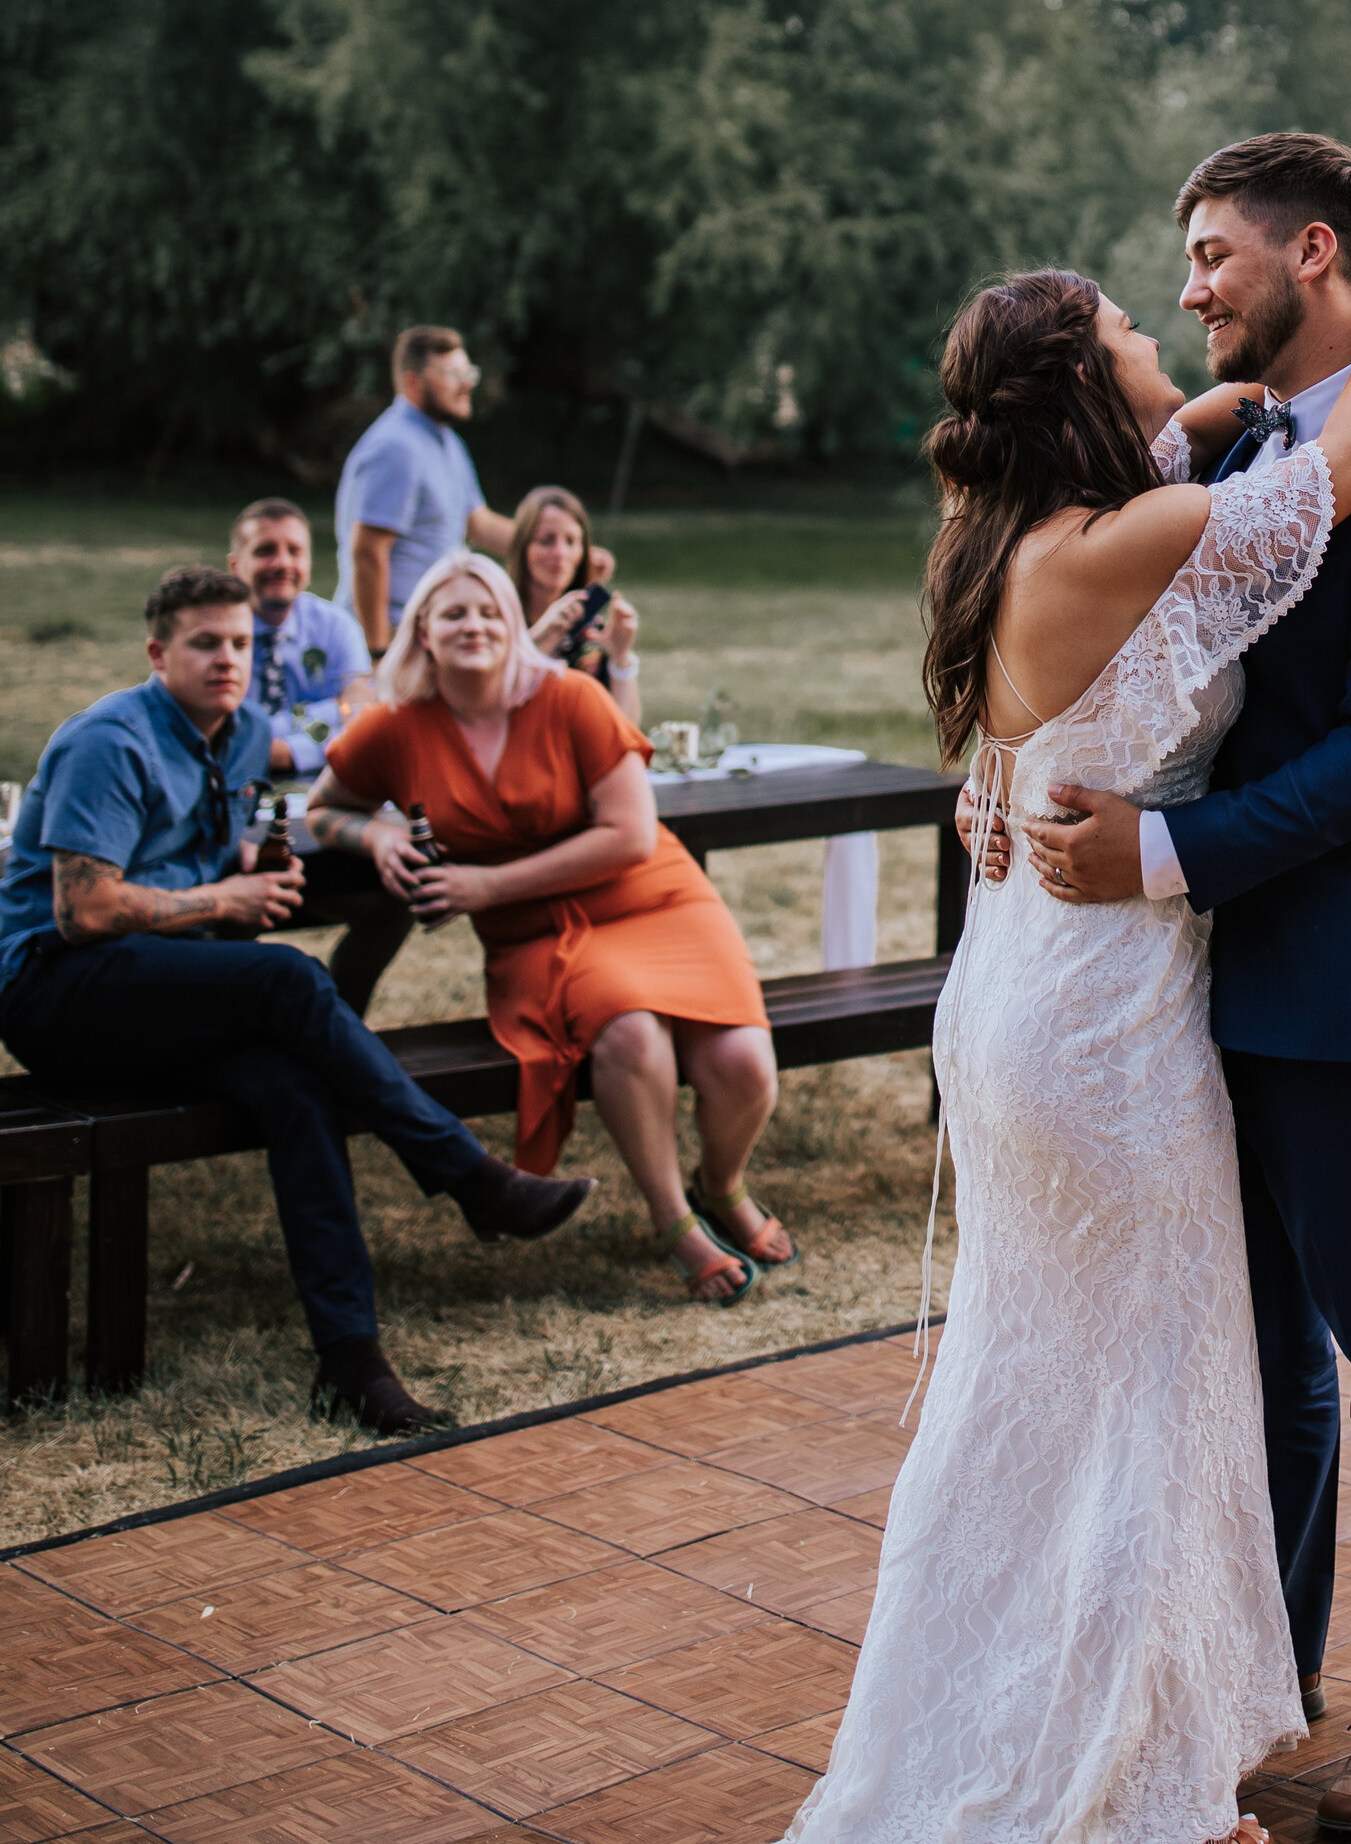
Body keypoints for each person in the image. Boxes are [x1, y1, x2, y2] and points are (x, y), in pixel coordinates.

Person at [662, 236, 1351, 1844]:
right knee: (1150, 1396)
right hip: (1107, 1030)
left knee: (1046, 1392)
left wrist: (1239, 387)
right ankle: (1117, 1796)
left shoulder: (1019, 532)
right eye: (1124, 323)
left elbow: (1210, 441)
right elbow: (1344, 471)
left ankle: (1090, 1751)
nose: (1152, 331)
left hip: (1029, 990)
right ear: (1078, 388)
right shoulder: (1133, 540)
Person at [1014, 132, 1351, 1841]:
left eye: (1214, 254)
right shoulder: (1249, 454)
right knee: (1268, 1361)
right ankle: (1259, 1671)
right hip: (1216, 989)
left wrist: (1157, 860)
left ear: (1314, 255)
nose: (1189, 286)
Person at [0, 565, 588, 1435]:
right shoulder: (108, 741)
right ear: (159, 653)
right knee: (289, 977)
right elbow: (83, 910)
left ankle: (351, 1364)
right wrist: (224, 903)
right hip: (57, 993)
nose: (228, 659)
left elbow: (236, 837)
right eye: (205, 643)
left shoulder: (241, 737)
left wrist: (247, 871)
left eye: (241, 643)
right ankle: (467, 1175)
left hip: (159, 983)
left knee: (296, 1085)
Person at [312, 554, 785, 1301]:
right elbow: (323, 808)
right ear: (423, 632)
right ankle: (674, 1222)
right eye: (454, 613)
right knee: (629, 1033)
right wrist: (376, 837)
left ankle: (721, 1185)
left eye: (489, 610)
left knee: (745, 1063)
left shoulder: (570, 699)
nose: (474, 625)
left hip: (654, 897)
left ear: (514, 626)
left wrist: (484, 883)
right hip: (536, 935)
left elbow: (631, 835)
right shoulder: (397, 729)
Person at [332, 325, 615, 663]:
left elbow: (480, 525)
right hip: (394, 638)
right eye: (452, 374)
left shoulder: (447, 443)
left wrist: (563, 551)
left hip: (428, 632)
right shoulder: (395, 448)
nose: (467, 383)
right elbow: (367, 552)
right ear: (412, 383)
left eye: (468, 372)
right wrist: (376, 653)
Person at [229, 497, 373, 772]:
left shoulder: (337, 627)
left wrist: (289, 752)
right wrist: (332, 709)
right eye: (265, 550)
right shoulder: (215, 633)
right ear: (235, 565)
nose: (282, 563)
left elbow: (360, 721)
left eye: (294, 551)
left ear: (308, 561)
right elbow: (219, 736)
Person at [508, 483, 643, 726]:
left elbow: (624, 732)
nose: (560, 553)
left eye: (571, 541)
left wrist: (620, 657)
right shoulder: (498, 619)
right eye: (546, 540)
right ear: (522, 546)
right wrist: (541, 638)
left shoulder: (591, 631)